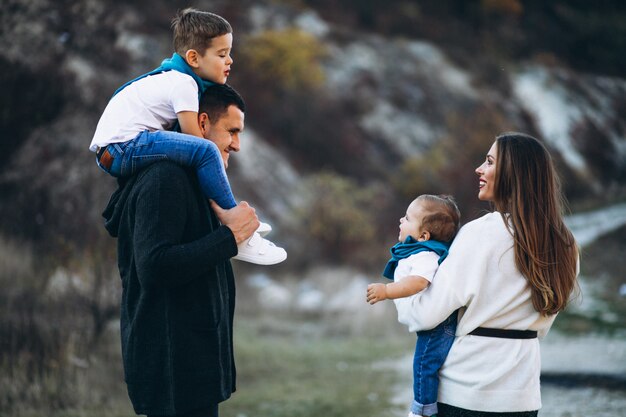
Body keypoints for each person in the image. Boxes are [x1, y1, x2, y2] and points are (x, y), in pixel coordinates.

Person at [393, 132, 579, 416]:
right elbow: (541, 326)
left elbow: (424, 315)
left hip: (465, 393)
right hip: (523, 396)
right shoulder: (565, 244)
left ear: (512, 174)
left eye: (490, 162)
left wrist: (401, 278)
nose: (479, 169)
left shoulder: (479, 233)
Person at [102, 84, 256, 417]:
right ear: (201, 124)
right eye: (232, 131)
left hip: (189, 371)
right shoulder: (165, 178)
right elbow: (155, 266)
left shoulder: (189, 179)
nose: (237, 144)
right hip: (173, 373)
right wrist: (229, 237)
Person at [90, 8, 286, 265]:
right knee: (206, 152)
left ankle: (229, 218)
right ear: (193, 57)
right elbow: (197, 142)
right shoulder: (184, 83)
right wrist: (216, 160)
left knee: (203, 153)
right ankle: (232, 218)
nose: (230, 61)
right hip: (123, 146)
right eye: (222, 54)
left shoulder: (171, 78)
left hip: (115, 150)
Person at [366, 194, 461, 417]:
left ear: (424, 235)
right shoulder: (417, 252)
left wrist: (387, 291)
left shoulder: (425, 255)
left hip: (439, 327)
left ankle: (423, 410)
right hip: (436, 325)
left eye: (407, 218)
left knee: (423, 365)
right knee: (425, 365)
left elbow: (418, 281)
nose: (401, 220)